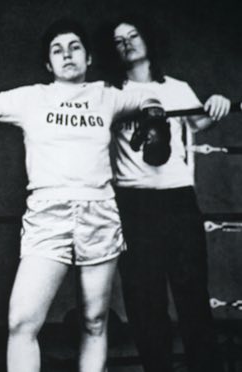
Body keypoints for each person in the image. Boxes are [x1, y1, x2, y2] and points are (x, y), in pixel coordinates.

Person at [0, 19, 166, 372]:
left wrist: (152, 113)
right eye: (57, 50)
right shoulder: (32, 97)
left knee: (94, 321)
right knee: (23, 322)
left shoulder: (106, 95)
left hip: (99, 213)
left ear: (88, 58)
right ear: (49, 64)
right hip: (48, 214)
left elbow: (147, 97)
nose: (67, 55)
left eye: (74, 47)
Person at [98, 14, 232, 372]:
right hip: (133, 203)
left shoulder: (177, 88)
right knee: (145, 301)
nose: (126, 42)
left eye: (132, 35)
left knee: (193, 298)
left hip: (179, 201)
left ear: (148, 40)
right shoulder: (111, 93)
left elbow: (203, 119)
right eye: (118, 39)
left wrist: (217, 102)